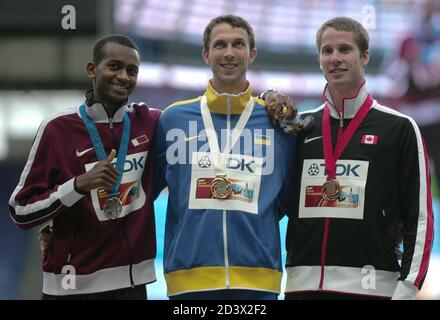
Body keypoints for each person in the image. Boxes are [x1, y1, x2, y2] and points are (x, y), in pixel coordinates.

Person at [269, 17, 434, 300]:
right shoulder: (300, 127)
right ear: (319, 59)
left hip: (372, 289)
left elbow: (419, 218)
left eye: (345, 49)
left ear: (365, 56)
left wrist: (407, 289)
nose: (335, 58)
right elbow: (274, 200)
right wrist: (264, 104)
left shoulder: (399, 128)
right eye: (327, 51)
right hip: (302, 287)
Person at [153, 15, 297, 300]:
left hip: (259, 282)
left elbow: (288, 200)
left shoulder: (276, 123)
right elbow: (144, 192)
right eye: (220, 45)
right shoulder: (174, 119)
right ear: (206, 54)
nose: (229, 53)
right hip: (189, 283)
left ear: (252, 54)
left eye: (238, 44)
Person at [8, 34, 161, 299]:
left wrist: (260, 97)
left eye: (131, 70)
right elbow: (20, 209)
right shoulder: (57, 129)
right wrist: (76, 186)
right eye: (114, 66)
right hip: (70, 287)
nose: (123, 76)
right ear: (92, 69)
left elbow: (198, 115)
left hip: (132, 286)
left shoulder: (150, 122)